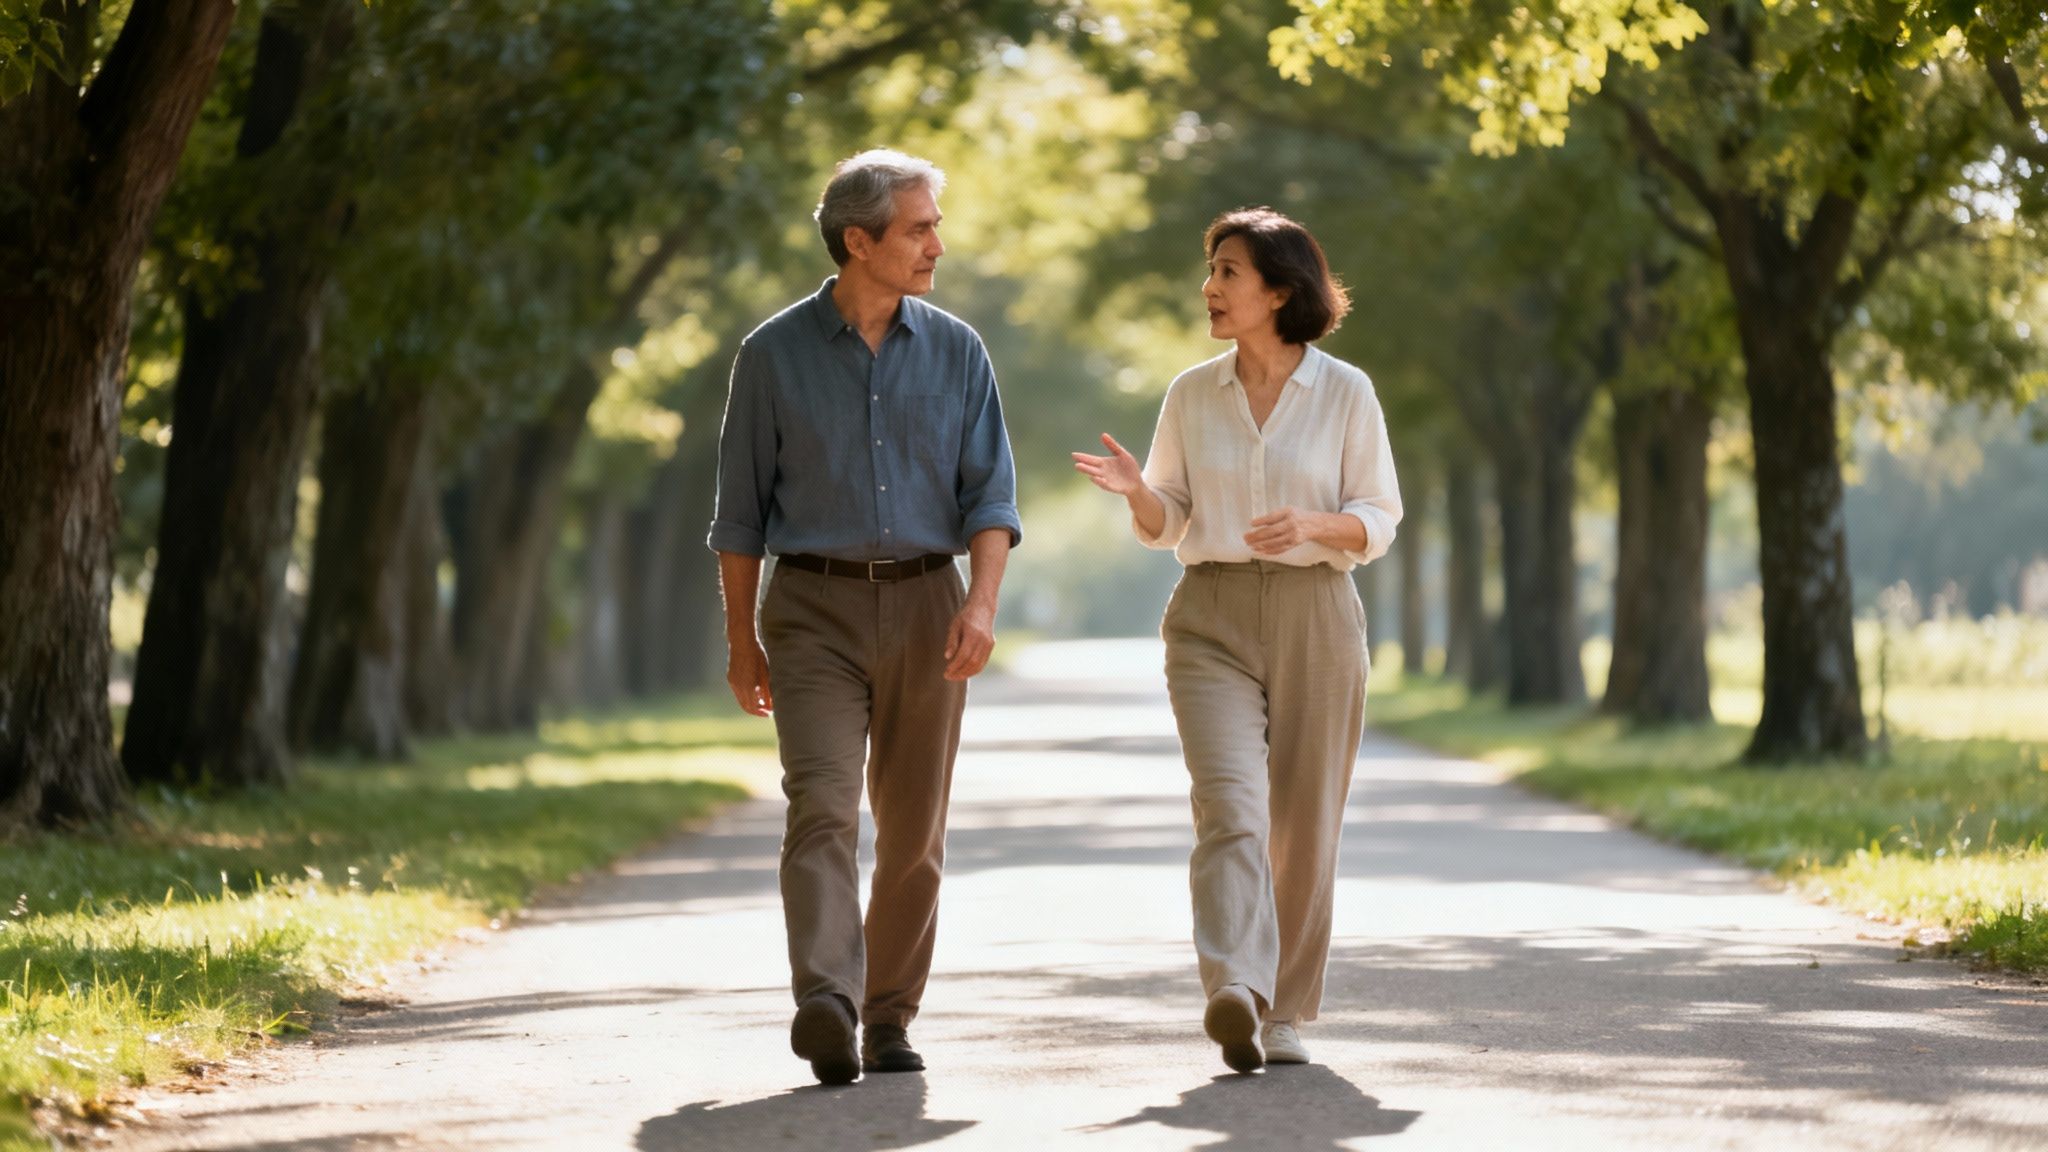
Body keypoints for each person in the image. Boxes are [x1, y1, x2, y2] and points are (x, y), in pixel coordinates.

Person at [708, 149, 1021, 1086]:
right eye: (919, 228)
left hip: (930, 603)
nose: (936, 244)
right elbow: (738, 513)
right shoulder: (770, 355)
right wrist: (741, 640)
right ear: (860, 240)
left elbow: (991, 497)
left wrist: (981, 603)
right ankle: (827, 1001)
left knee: (914, 827)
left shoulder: (960, 349)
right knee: (822, 807)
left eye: (933, 225)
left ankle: (888, 1018)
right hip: (810, 609)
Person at [1072, 207, 1400, 1073]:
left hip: (1316, 616)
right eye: (1211, 270)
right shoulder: (1190, 392)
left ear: (1279, 291)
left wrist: (1316, 523)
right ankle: (1233, 987)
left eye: (1228, 272)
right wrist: (1141, 492)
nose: (1209, 288)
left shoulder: (1346, 392)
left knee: (1303, 825)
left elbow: (1380, 517)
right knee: (1229, 807)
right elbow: (1171, 517)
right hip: (1209, 616)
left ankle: (1282, 1011)